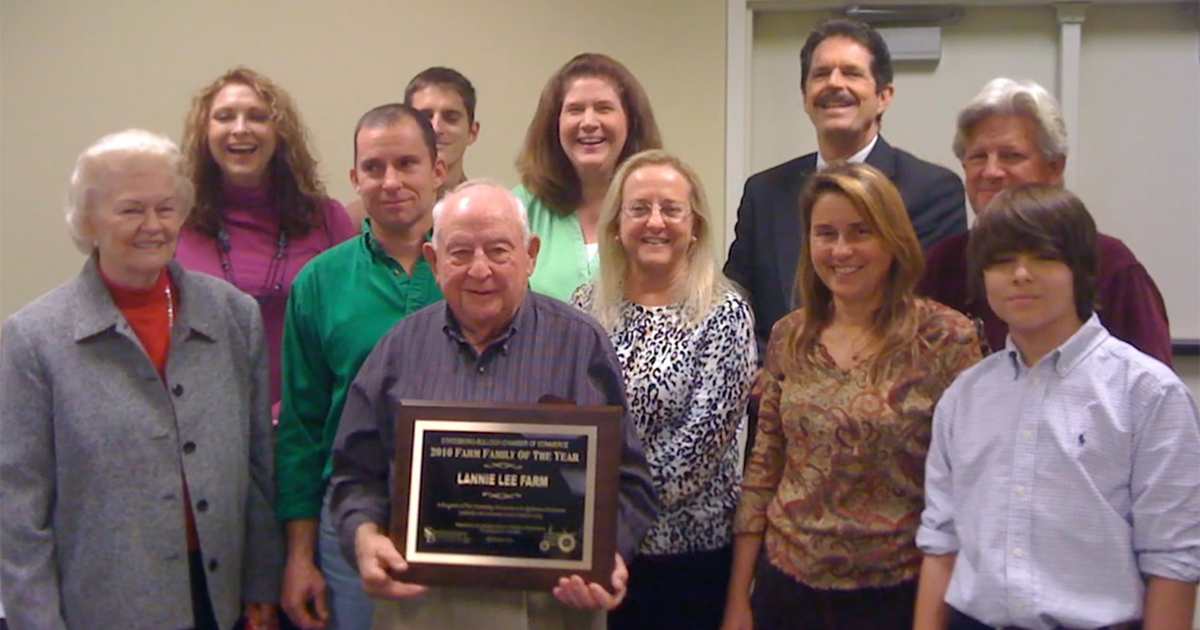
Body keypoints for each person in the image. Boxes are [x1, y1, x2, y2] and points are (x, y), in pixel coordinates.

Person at [328, 180, 658, 630]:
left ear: (530, 255)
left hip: (553, 609)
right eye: (460, 253)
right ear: (434, 261)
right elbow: (355, 476)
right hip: (425, 609)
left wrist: (607, 556)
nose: (480, 270)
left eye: (499, 251)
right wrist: (365, 536)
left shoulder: (581, 344)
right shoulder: (398, 349)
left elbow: (631, 483)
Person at [0, 129, 284, 630]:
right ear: (88, 220)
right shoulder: (33, 338)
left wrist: (262, 580)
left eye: (166, 208)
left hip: (220, 597)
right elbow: (18, 507)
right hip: (102, 604)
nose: (153, 225)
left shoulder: (233, 316)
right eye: (131, 210)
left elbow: (259, 463)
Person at [914, 184, 1200, 630]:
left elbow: (1173, 558)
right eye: (1002, 261)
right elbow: (941, 538)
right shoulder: (964, 397)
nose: (1021, 274)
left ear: (1080, 270)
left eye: (1043, 257)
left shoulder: (1148, 393)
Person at [722, 163, 980, 630]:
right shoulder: (790, 336)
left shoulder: (945, 338)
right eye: (826, 234)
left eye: (861, 232)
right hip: (788, 588)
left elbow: (966, 486)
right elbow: (764, 469)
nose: (841, 250)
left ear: (893, 239)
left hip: (897, 592)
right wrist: (739, 598)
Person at [276, 104, 445, 630]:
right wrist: (300, 556)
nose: (391, 181)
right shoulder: (320, 282)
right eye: (374, 167)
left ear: (438, 170)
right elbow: (302, 429)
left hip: (462, 511)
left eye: (407, 164)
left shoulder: (477, 270)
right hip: (351, 520)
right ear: (355, 179)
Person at [571, 150, 756, 630]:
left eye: (671, 209)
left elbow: (695, 455)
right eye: (639, 208)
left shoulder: (724, 313)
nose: (655, 222)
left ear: (694, 226)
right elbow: (571, 422)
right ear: (617, 224)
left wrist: (607, 513)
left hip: (687, 560)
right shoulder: (585, 307)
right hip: (595, 552)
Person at [724, 18, 967, 353]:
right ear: (805, 97)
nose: (834, 83)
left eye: (852, 73)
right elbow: (738, 304)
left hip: (890, 375)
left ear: (884, 96)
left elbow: (927, 309)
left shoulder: (932, 190)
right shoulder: (764, 192)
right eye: (821, 74)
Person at [918, 77, 1172, 364]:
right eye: (978, 157)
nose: (991, 171)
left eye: (1011, 156)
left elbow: (1150, 377)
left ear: (1054, 167)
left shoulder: (1111, 265)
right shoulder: (944, 263)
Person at [176, 67, 356, 411]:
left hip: (304, 424)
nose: (240, 129)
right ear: (204, 132)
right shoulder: (176, 223)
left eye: (257, 117)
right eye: (225, 117)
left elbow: (349, 334)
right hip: (203, 422)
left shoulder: (327, 220)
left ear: (279, 132)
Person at [515, 52, 664, 302]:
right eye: (575, 110)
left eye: (604, 108)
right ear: (555, 125)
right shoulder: (521, 207)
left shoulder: (665, 210)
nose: (588, 122)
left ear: (631, 122)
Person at [344, 67, 480, 227]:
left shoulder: (491, 213)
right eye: (425, 117)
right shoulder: (354, 222)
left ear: (473, 132)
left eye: (451, 118)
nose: (436, 128)